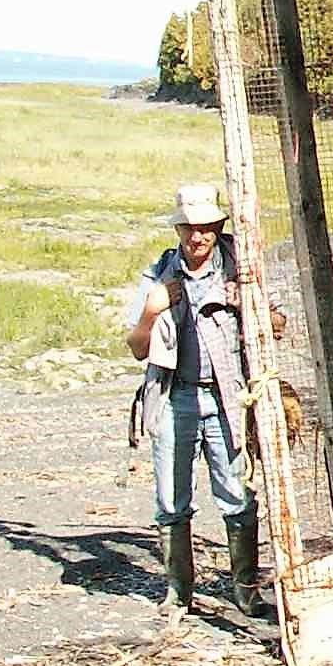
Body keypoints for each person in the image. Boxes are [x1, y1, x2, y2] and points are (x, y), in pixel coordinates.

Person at [126, 183, 284, 619]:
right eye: (188, 228)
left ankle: (246, 590)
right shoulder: (160, 274)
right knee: (171, 502)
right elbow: (137, 347)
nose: (197, 237)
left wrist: (248, 305)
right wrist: (153, 309)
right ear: (178, 229)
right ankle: (179, 593)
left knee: (237, 495)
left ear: (217, 227)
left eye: (205, 228)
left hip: (228, 399)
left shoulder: (240, 269)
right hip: (176, 399)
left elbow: (278, 325)